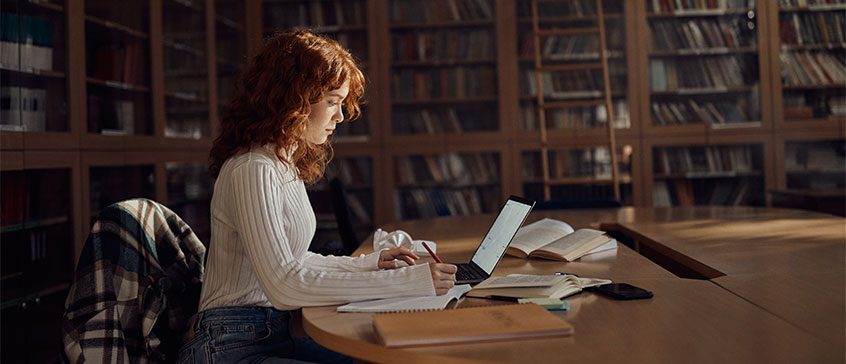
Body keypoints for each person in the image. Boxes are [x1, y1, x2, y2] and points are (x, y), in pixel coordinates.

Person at [176, 30, 457, 364]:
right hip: (228, 347)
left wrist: (369, 264)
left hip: (268, 336)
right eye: (332, 102)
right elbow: (283, 284)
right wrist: (405, 282)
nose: (339, 117)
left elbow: (294, 260)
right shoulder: (253, 168)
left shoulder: (281, 165)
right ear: (294, 98)